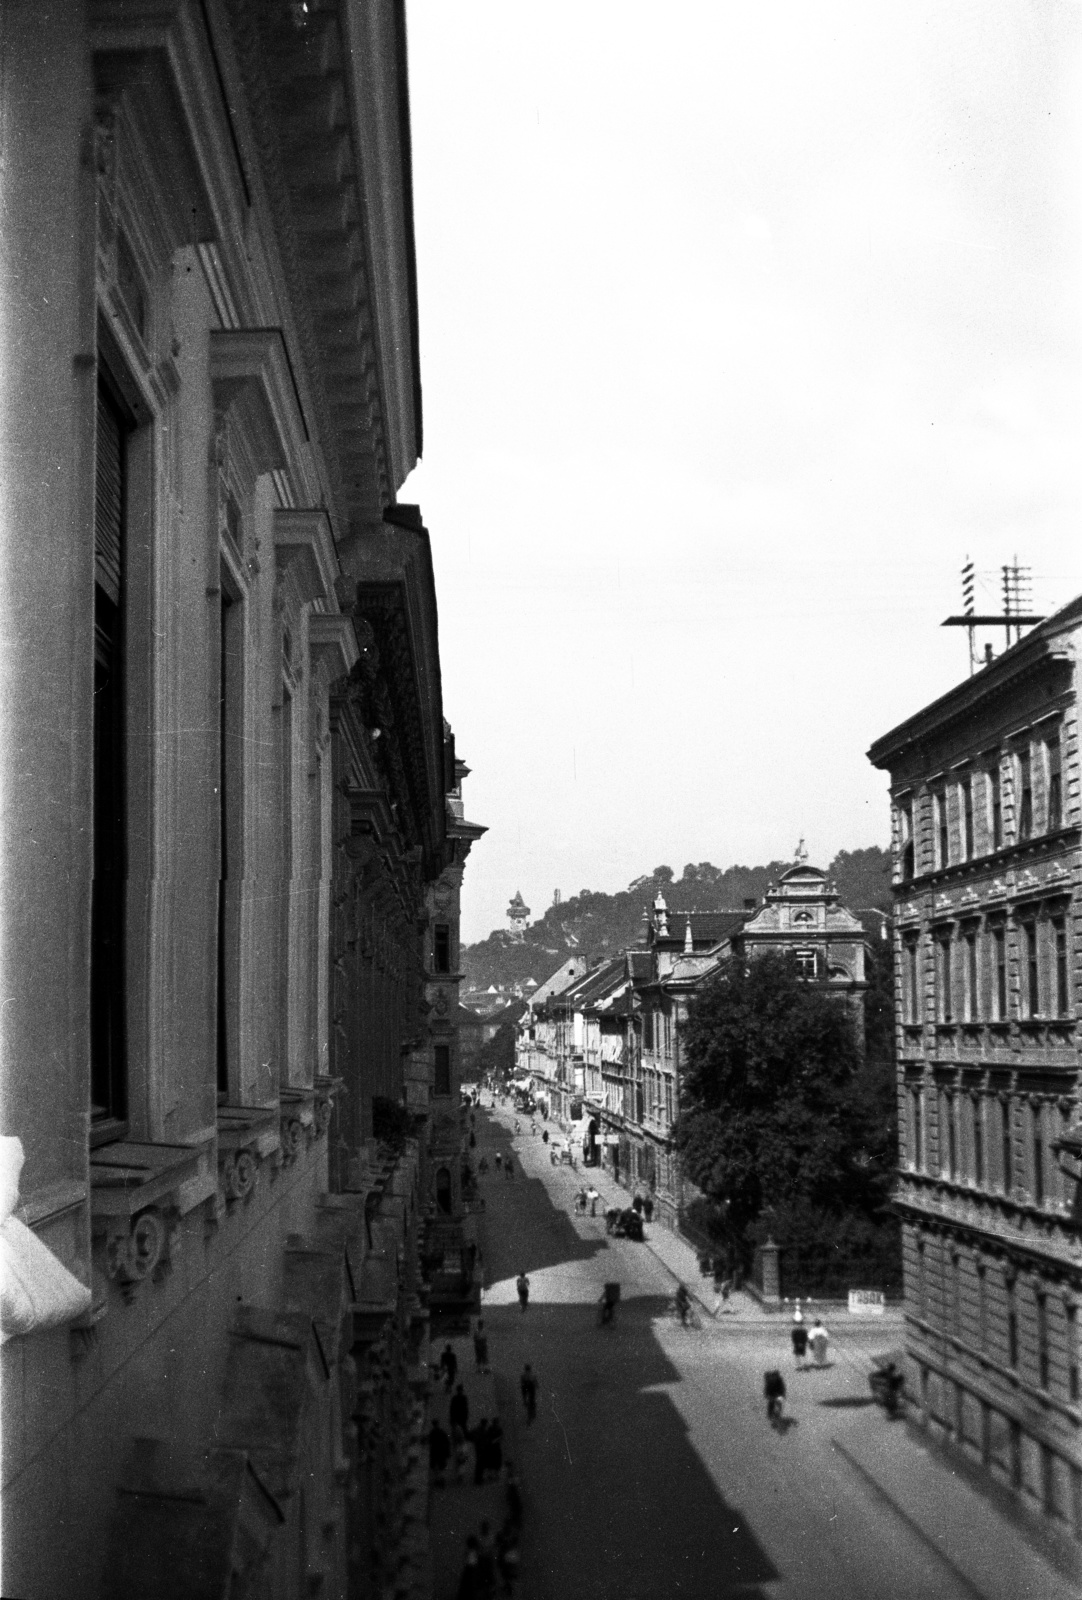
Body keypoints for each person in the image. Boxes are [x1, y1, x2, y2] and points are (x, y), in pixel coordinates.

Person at [429, 1418, 451, 1485]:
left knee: (435, 1467)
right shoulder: (442, 1432)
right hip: (442, 1452)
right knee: (442, 1466)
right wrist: (448, 1452)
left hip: (434, 1452)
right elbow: (447, 1442)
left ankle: (437, 1480)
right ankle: (441, 1480)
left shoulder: (432, 1432)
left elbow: (430, 1442)